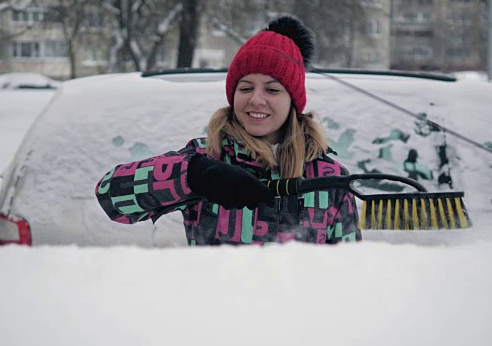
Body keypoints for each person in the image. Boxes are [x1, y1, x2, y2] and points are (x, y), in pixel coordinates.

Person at [95, 16, 361, 245]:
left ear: (293, 101)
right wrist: (193, 175)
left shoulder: (330, 179)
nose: (256, 99)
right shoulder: (207, 158)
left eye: (272, 89)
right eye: (245, 88)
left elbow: (349, 273)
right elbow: (111, 196)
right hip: (217, 303)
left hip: (294, 305)